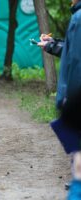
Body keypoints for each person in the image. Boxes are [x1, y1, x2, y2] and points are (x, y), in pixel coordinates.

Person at [38, 0, 81, 198]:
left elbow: (76, 62)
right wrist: (52, 45)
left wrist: (69, 103)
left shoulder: (78, 18)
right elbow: (73, 51)